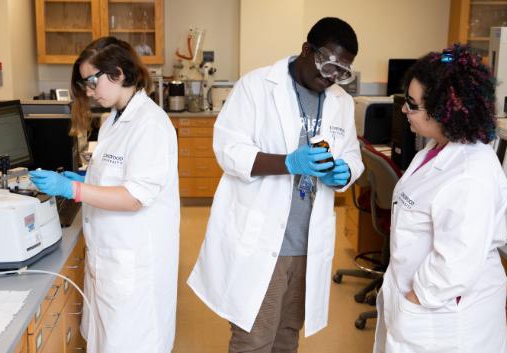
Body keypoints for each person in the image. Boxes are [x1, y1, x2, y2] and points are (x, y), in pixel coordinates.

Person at [187, 17, 364, 352]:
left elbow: (352, 155)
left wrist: (344, 172)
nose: (330, 77)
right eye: (327, 64)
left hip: (307, 243)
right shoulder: (256, 86)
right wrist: (287, 162)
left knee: (286, 337)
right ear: (307, 50)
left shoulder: (341, 101)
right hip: (261, 239)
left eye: (341, 72)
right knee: (253, 341)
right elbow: (229, 150)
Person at [29, 37, 180, 353]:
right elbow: (120, 172)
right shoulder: (114, 118)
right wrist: (86, 177)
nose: (88, 90)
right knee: (106, 340)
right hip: (112, 257)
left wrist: (73, 189)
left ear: (119, 73)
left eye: (92, 81)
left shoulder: (150, 123)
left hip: (134, 263)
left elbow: (134, 196)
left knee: (129, 343)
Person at [373, 44, 507, 353]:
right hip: (418, 303)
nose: (404, 109)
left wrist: (415, 298)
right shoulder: (436, 149)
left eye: (412, 104)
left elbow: (456, 263)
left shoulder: (470, 173)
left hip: (445, 318)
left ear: (444, 111)